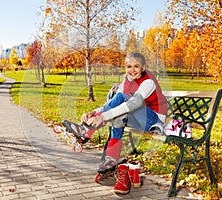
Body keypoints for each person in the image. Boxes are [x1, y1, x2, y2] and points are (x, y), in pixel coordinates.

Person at [62, 52, 167, 193]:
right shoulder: (126, 81)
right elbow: (116, 105)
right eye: (129, 66)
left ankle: (86, 131)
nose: (132, 70)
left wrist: (103, 117)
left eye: (136, 66)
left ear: (143, 67)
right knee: (118, 114)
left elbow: (133, 104)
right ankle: (111, 158)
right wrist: (94, 113)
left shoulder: (148, 82)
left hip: (153, 122)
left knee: (121, 100)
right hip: (137, 118)